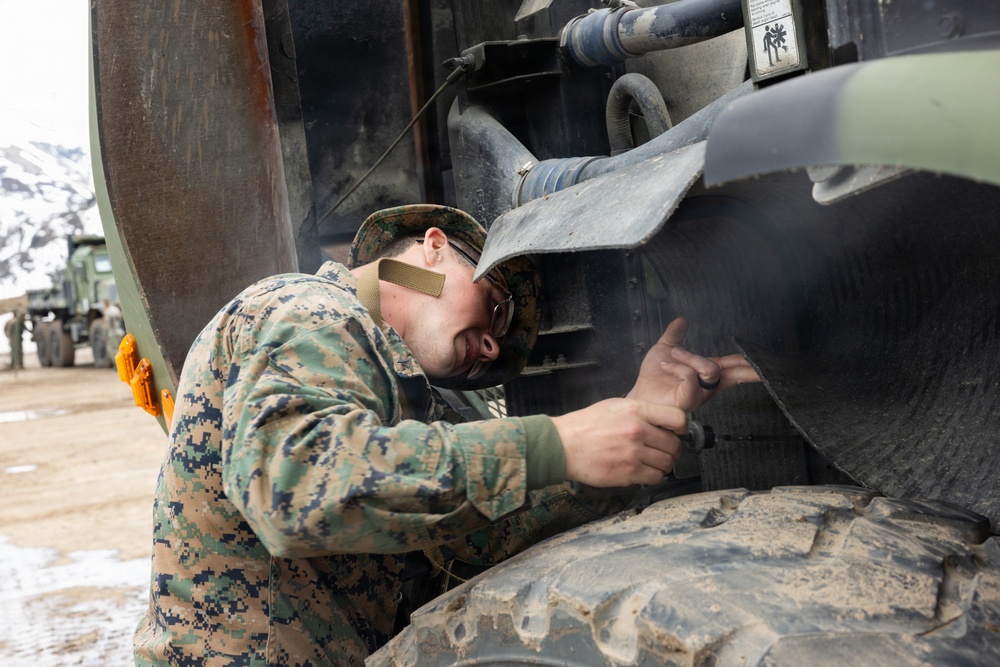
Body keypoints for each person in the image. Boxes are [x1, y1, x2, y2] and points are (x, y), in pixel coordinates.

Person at [133, 204, 759, 666]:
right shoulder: (312, 311)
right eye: (495, 307)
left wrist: (633, 420)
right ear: (433, 251)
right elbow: (294, 486)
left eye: (498, 353)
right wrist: (559, 443)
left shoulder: (402, 399)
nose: (489, 346)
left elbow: (476, 541)